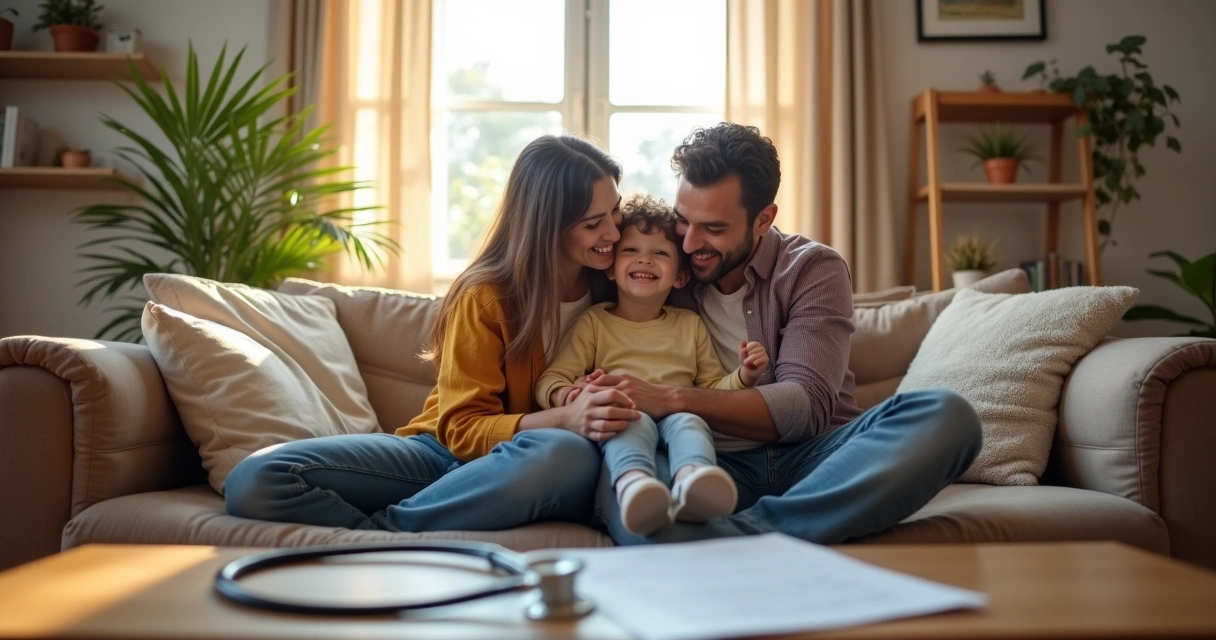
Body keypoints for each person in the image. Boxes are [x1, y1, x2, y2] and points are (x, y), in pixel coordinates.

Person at [584, 123, 984, 545]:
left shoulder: (812, 268)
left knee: (948, 415)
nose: (689, 244)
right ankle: (770, 535)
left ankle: (737, 535)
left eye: (714, 229)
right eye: (684, 221)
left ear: (763, 219)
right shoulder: (663, 265)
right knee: (631, 489)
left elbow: (804, 406)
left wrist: (670, 398)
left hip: (816, 459)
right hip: (704, 464)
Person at [224, 134, 642, 532]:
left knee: (564, 453)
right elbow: (460, 428)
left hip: (534, 462)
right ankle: (409, 529)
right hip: (439, 453)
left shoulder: (623, 285)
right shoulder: (486, 296)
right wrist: (565, 418)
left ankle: (393, 529)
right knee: (257, 479)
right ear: (547, 225)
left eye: (616, 211)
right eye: (593, 224)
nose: (613, 232)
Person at [535, 194, 770, 537]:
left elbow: (710, 389)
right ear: (611, 269)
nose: (644, 259)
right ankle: (633, 484)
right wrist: (569, 396)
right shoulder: (594, 323)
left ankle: (693, 481)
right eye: (631, 250)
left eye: (660, 253)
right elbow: (551, 378)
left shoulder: (689, 324)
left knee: (690, 420)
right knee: (630, 422)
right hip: (624, 417)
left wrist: (744, 376)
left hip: (677, 416)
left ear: (680, 277)